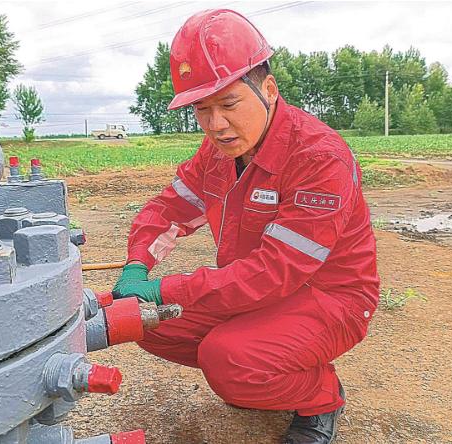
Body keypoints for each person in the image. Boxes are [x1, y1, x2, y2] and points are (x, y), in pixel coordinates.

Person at [112, 9, 379, 444]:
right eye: (203, 110)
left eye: (229, 104)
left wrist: (169, 289)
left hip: (330, 299)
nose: (216, 124)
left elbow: (277, 272)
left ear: (268, 89)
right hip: (252, 290)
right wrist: (137, 265)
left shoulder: (318, 158)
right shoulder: (217, 151)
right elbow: (169, 210)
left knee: (228, 357)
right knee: (138, 320)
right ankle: (259, 369)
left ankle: (320, 396)